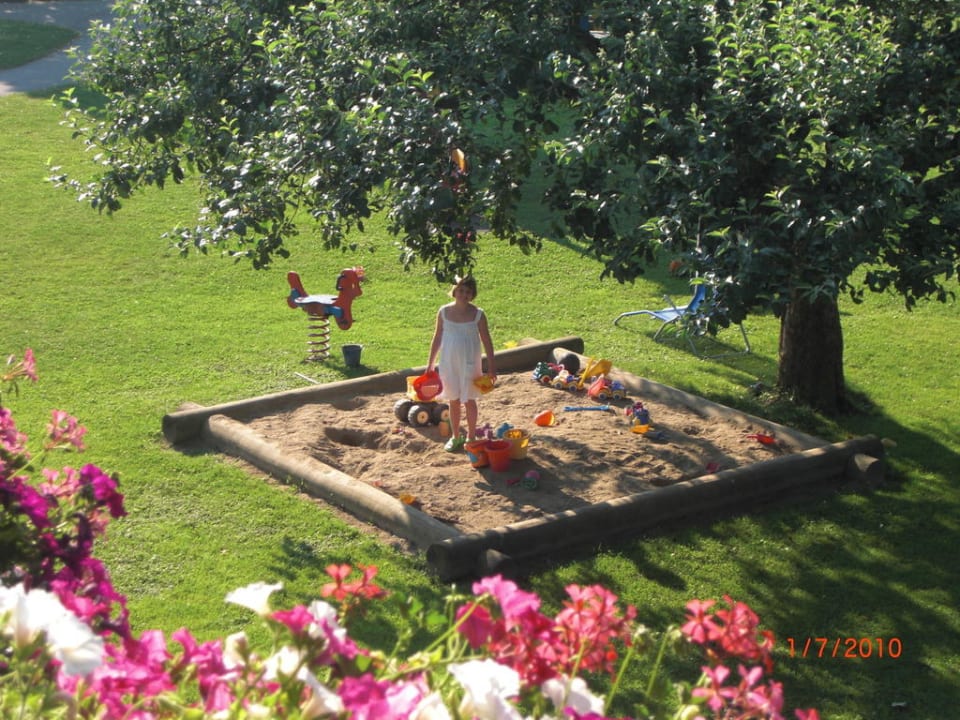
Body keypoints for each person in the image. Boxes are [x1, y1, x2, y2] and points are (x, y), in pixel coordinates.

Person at [427, 276, 497, 450]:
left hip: (470, 363)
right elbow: (437, 338)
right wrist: (430, 363)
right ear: (454, 291)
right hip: (449, 362)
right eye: (461, 290)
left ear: (472, 295)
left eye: (468, 292)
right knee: (454, 399)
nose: (464, 294)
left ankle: (471, 437)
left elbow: (487, 341)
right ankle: (456, 435)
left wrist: (492, 367)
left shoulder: (478, 315)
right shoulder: (443, 312)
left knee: (470, 399)